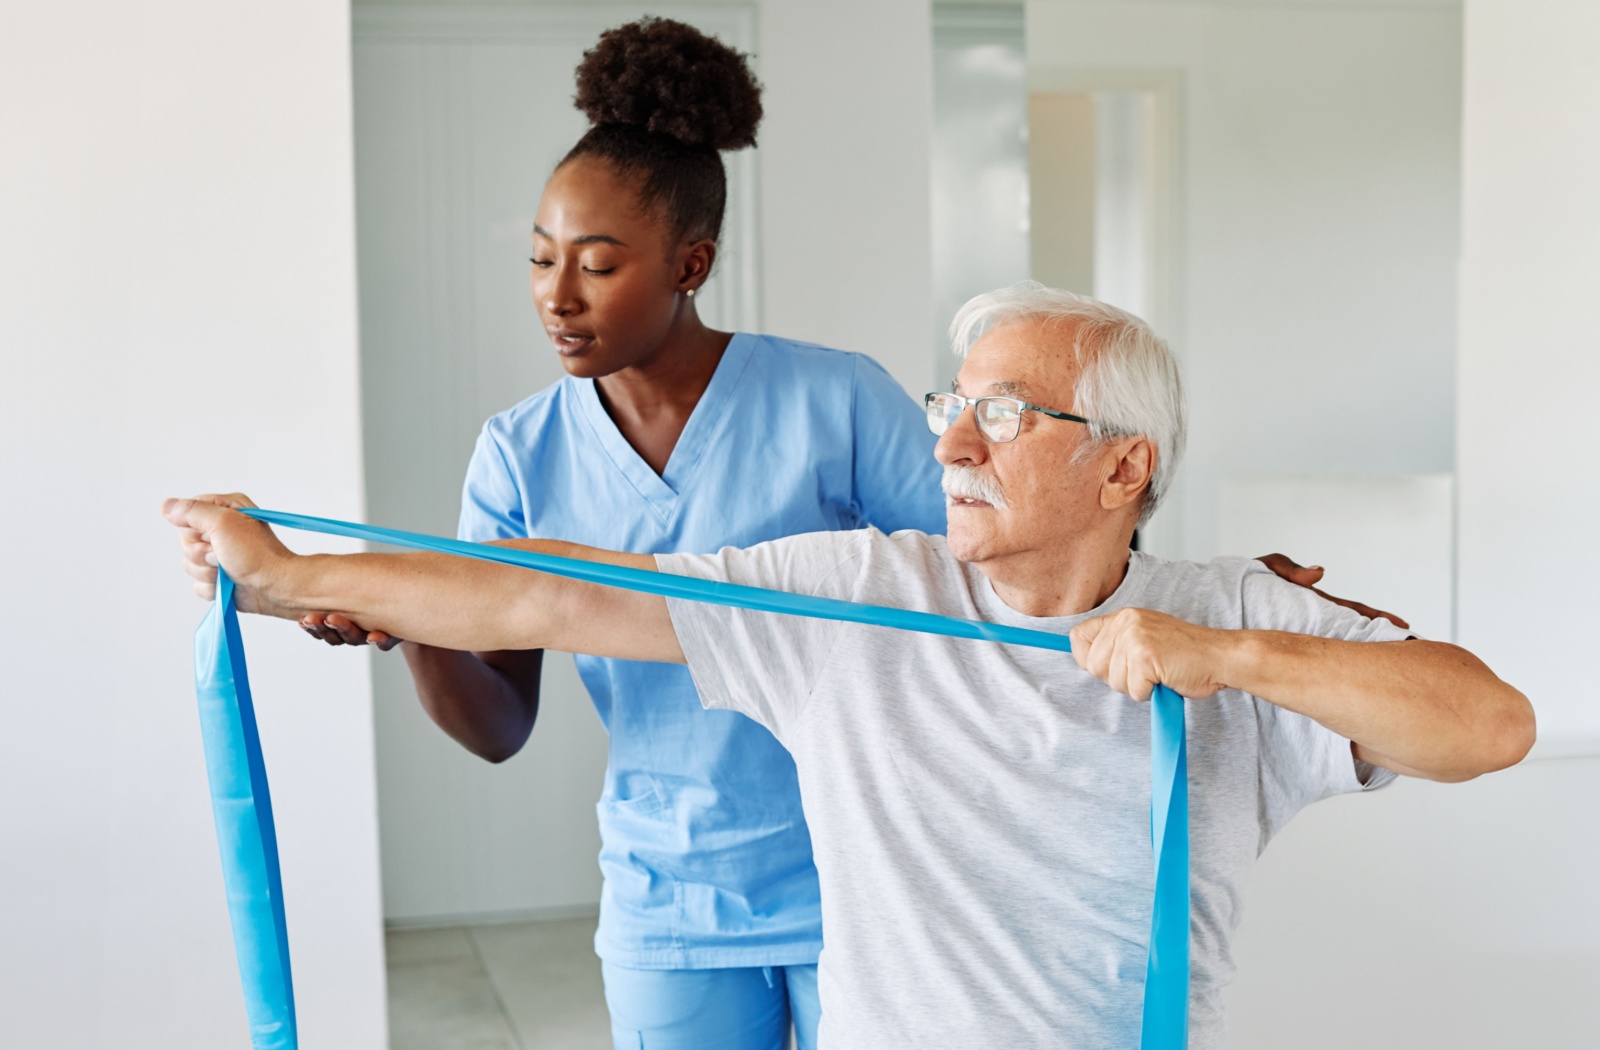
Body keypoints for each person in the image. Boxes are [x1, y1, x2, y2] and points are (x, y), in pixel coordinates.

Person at [166, 284, 1531, 1050]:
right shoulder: (858, 592)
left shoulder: (1227, 614)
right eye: (952, 406)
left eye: (1003, 414)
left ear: (1126, 463)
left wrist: (1227, 654)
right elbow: (555, 586)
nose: (950, 446)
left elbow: (1491, 724)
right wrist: (290, 575)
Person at [310, 17, 943, 1050]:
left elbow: (991, 588)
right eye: (540, 259)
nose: (556, 298)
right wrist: (412, 620)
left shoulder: (836, 402)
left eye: (597, 266)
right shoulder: (520, 453)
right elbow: (498, 727)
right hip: (670, 900)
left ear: (689, 263)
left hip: (867, 877)